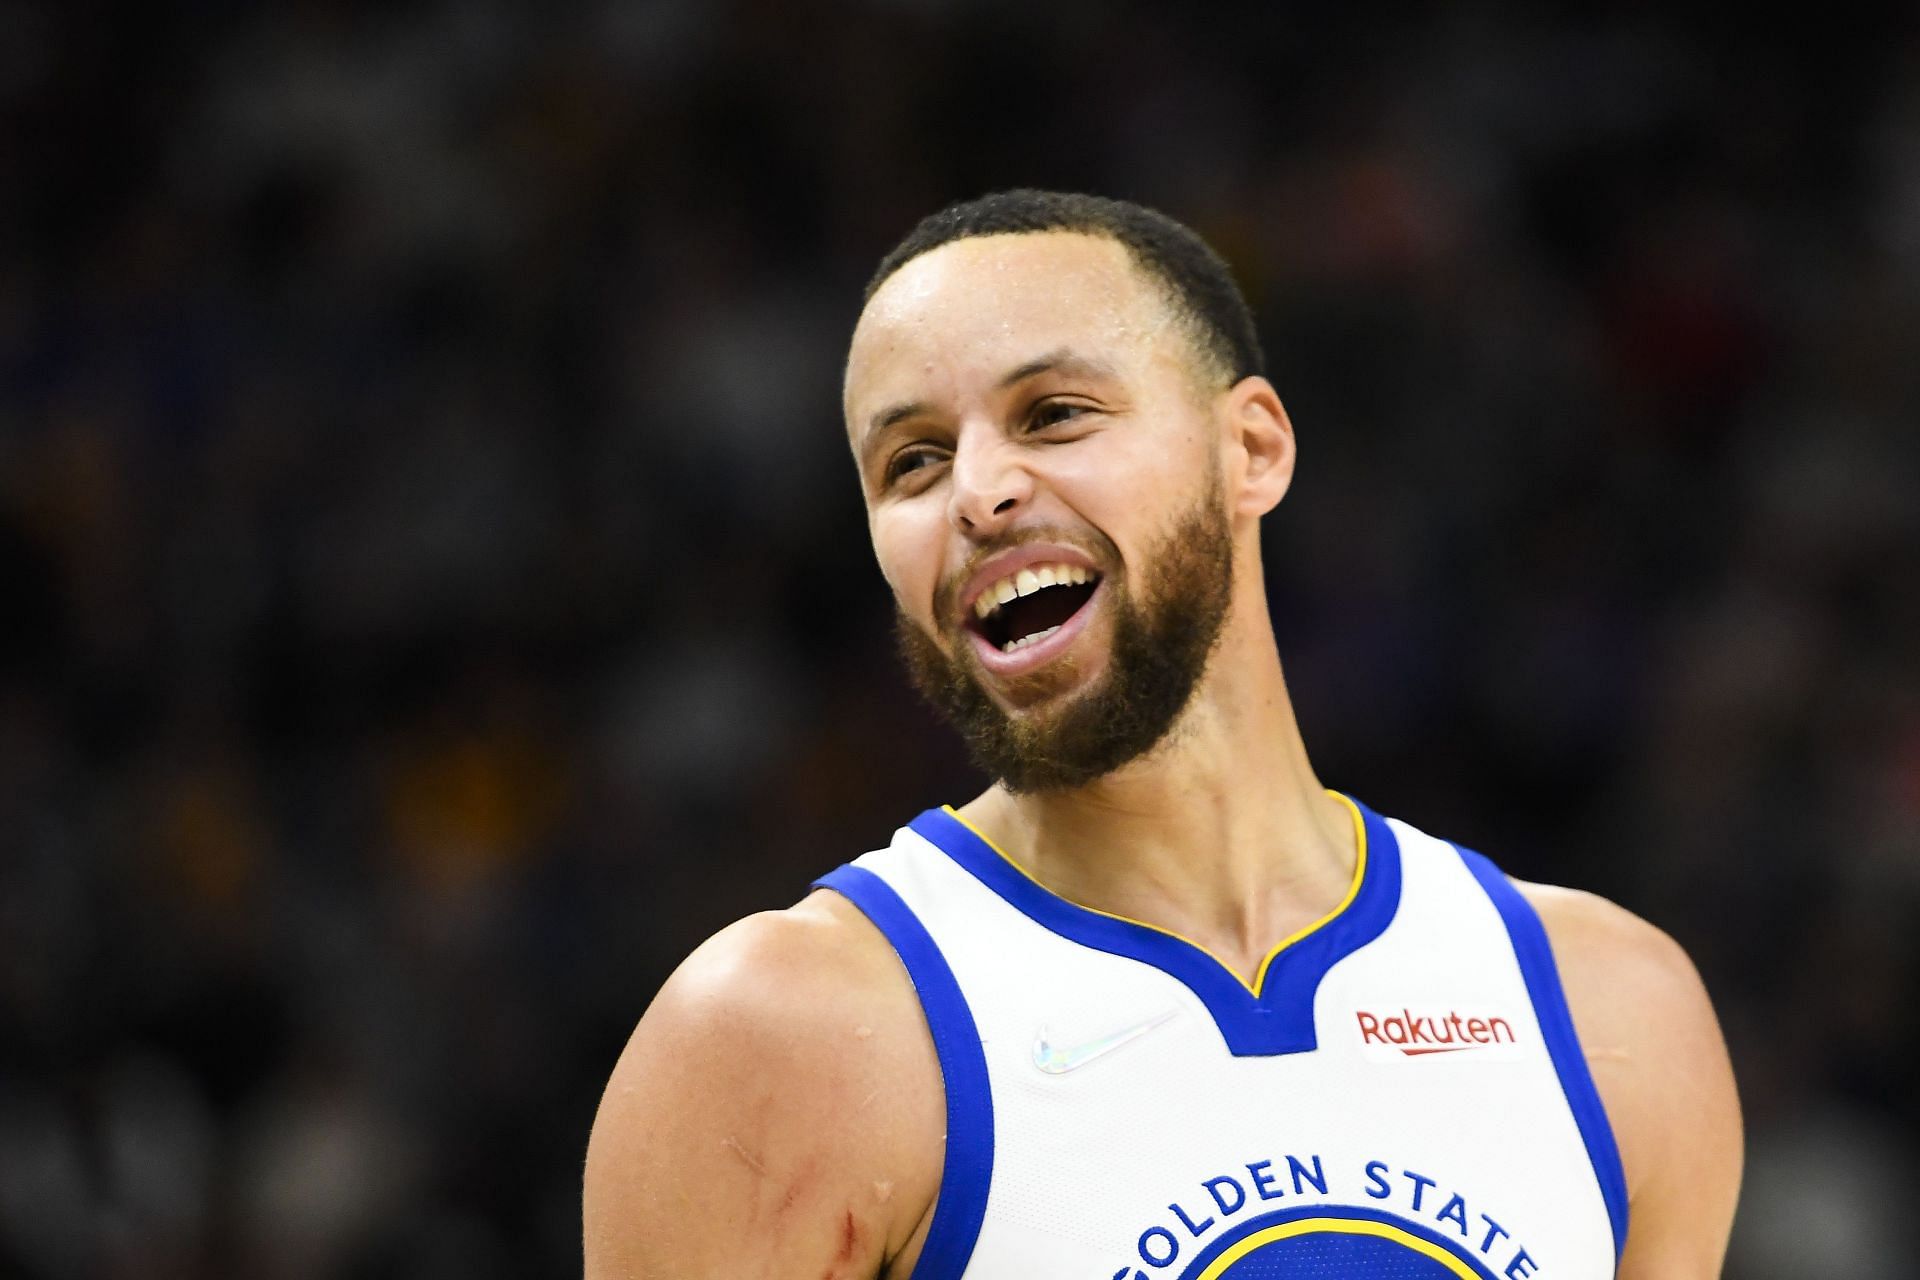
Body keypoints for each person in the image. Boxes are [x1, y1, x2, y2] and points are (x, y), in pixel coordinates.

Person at [582, 191, 1742, 1279]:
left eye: (1055, 413)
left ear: (1252, 449)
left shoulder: (1609, 1010)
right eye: (913, 462)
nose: (978, 491)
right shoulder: (780, 1036)